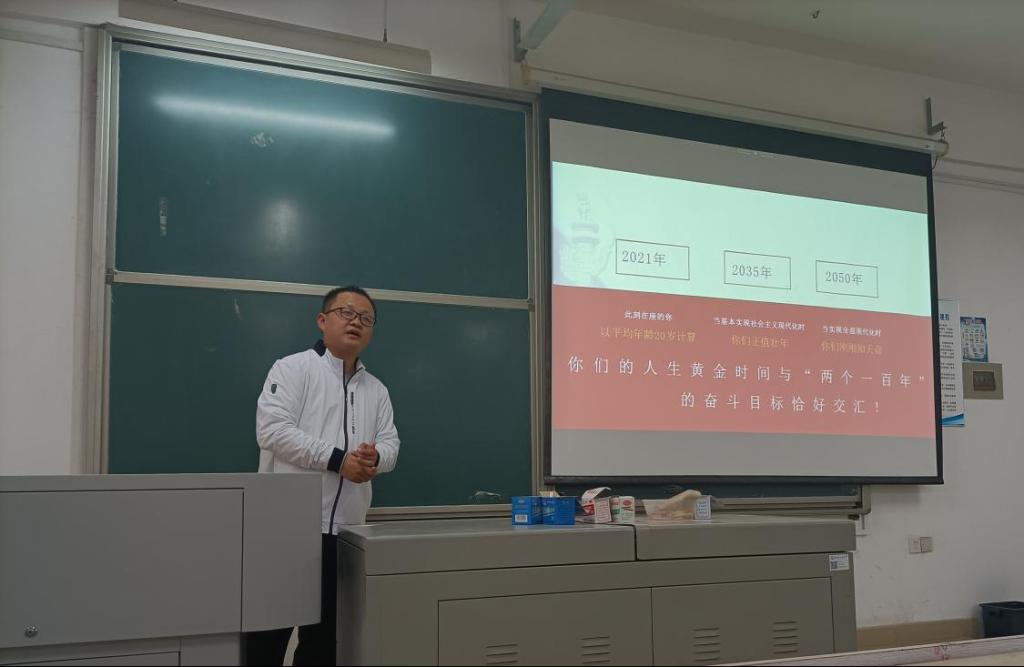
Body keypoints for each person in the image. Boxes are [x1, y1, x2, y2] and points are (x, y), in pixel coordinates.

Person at [244, 285, 400, 666]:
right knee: (265, 642)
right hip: (287, 530)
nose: (356, 322)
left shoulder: (377, 390)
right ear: (322, 320)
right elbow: (273, 432)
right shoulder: (292, 369)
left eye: (366, 318)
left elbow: (392, 443)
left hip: (346, 535)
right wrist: (338, 460)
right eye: (346, 313)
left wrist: (376, 457)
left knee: (325, 645)